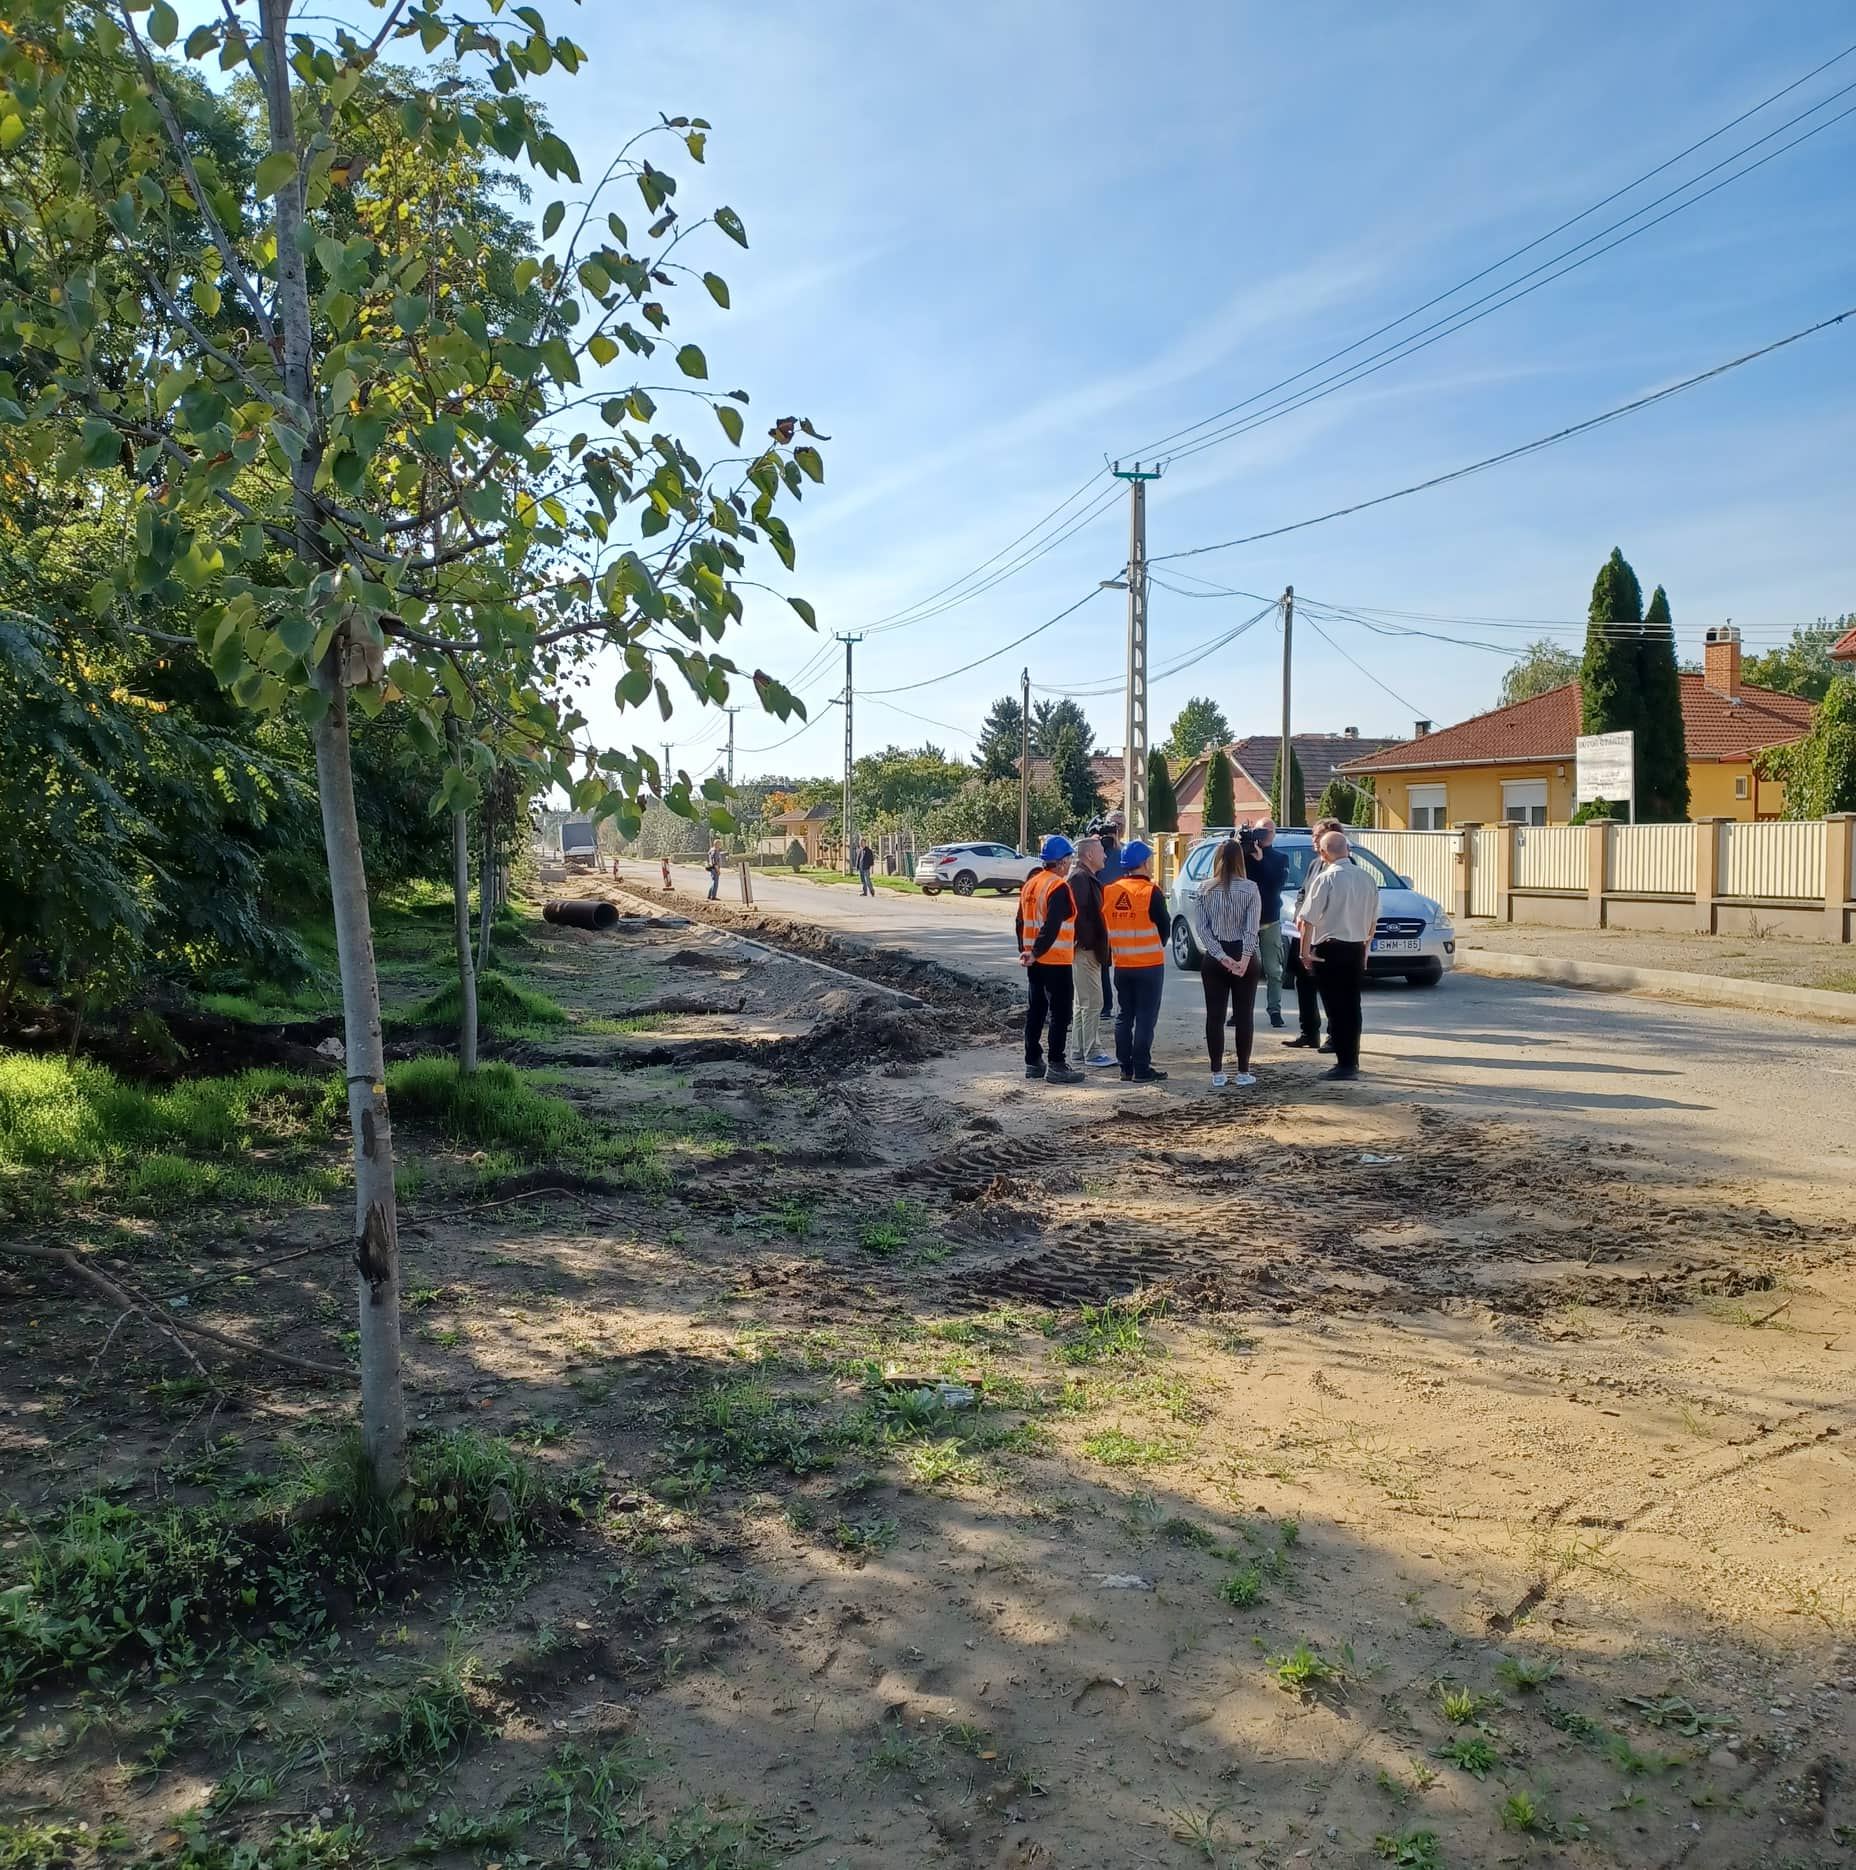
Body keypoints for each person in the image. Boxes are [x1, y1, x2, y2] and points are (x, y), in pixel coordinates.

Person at [1297, 829, 1380, 1082]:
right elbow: (1374, 921)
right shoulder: (1367, 878)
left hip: (1330, 948)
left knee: (1335, 1008)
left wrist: (1304, 952)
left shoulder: (1325, 879)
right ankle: (1351, 1059)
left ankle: (1344, 1063)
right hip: (1356, 947)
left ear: (1323, 853)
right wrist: (1365, 949)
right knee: (1352, 1006)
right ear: (1347, 850)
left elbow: (1308, 920)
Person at [1189, 837, 1261, 1088]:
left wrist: (1221, 956)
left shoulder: (1203, 889)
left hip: (1215, 956)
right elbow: (1252, 929)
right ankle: (1243, 1071)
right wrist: (1243, 959)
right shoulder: (1251, 888)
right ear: (1241, 860)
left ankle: (1217, 1072)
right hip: (1243, 954)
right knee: (1244, 1015)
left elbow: (1202, 929)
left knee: (1214, 1015)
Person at [1016, 834, 1083, 1085]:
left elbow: (1020, 922)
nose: (1070, 865)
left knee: (1035, 1011)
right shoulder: (1058, 887)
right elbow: (1053, 925)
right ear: (1063, 861)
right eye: (1069, 860)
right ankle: (1056, 1064)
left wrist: (1027, 951)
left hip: (1035, 961)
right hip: (1055, 960)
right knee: (1060, 1013)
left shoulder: (1031, 884)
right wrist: (1036, 952)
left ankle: (1032, 1061)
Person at [1101, 839, 1170, 1082]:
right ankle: (1141, 1068)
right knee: (1145, 1017)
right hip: (1149, 965)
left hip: (1122, 965)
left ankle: (1125, 1067)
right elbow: (1164, 927)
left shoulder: (1110, 891)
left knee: (1124, 1016)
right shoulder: (1151, 891)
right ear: (1143, 863)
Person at [1281, 817, 1343, 1052]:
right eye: (1314, 836)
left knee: (1329, 989)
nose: (1313, 840)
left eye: (1317, 836)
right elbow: (1302, 894)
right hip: (1304, 933)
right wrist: (1299, 915)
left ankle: (1335, 1036)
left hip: (1326, 936)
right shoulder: (1314, 864)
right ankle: (1309, 1032)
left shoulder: (1343, 867)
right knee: (1303, 984)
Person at [1067, 836, 1115, 1068]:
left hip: (1086, 950)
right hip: (1085, 951)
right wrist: (1085, 942)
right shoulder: (1080, 879)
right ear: (1089, 855)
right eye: (1100, 852)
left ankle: (1078, 1049)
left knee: (1083, 1002)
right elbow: (1074, 915)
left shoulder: (1084, 878)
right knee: (1093, 1002)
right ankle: (1092, 1051)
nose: (1105, 855)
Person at [1242, 818, 1290, 1029]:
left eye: (1268, 830)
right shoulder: (1243, 856)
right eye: (1260, 830)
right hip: (1245, 922)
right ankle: (1240, 1011)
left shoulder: (1280, 858)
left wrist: (1261, 860)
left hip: (1270, 920)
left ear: (1274, 833)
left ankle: (1275, 1010)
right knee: (1242, 969)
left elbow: (1276, 884)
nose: (1264, 834)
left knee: (1274, 970)